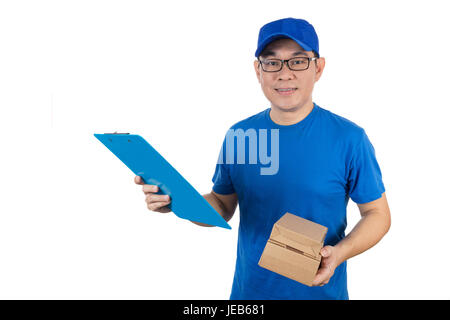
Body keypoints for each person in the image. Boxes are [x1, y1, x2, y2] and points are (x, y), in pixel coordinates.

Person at [135, 17, 391, 300]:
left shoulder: (349, 138)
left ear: (318, 68)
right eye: (272, 62)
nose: (284, 74)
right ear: (258, 70)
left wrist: (339, 253)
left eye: (297, 61)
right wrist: (179, 201)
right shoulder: (240, 135)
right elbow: (222, 205)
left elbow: (377, 214)